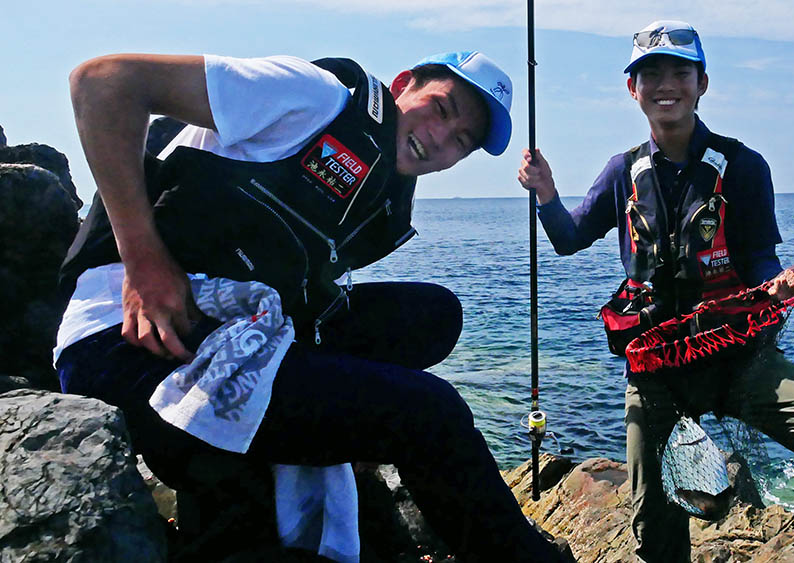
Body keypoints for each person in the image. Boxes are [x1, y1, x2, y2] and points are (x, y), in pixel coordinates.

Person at [55, 50, 567, 562]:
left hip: (232, 325)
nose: (439, 138)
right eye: (441, 109)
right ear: (403, 84)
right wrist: (143, 260)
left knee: (433, 315)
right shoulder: (313, 95)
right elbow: (103, 81)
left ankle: (335, 435)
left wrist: (349, 412)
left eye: (461, 141)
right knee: (432, 413)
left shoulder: (379, 187)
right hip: (131, 337)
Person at [518, 20, 794, 563]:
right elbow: (568, 238)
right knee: (654, 522)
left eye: (680, 72)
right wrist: (547, 195)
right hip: (656, 371)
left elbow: (761, 259)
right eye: (650, 74)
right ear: (633, 89)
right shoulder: (622, 171)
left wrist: (777, 286)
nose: (665, 84)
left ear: (702, 84)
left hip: (738, 361)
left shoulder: (743, 167)